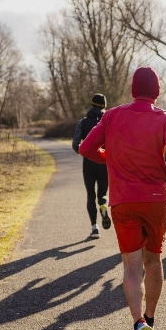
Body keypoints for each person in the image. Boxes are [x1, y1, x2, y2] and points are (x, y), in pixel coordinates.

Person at [79, 67, 166, 330]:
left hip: (123, 201)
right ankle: (151, 319)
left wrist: (110, 157)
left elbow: (86, 148)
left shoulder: (111, 115)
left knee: (131, 266)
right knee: (153, 261)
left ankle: (139, 324)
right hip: (155, 201)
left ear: (131, 90)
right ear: (157, 92)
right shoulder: (164, 118)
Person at [72, 93, 111, 239]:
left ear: (91, 104)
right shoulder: (109, 122)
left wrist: (84, 152)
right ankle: (103, 207)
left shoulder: (83, 122)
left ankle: (94, 228)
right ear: (104, 106)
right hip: (104, 163)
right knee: (102, 194)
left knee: (90, 194)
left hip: (88, 164)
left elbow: (75, 145)